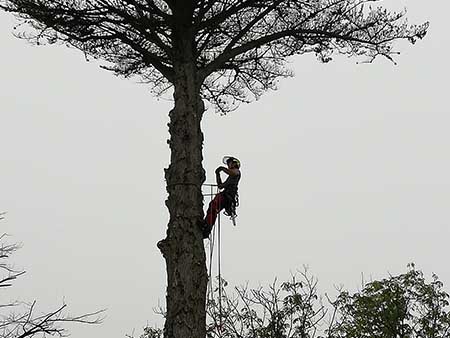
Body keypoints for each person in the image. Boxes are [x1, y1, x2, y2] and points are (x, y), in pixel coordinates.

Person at [202, 156, 241, 239]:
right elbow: (220, 186)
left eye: (229, 163)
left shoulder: (236, 172)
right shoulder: (230, 176)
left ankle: (207, 226)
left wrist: (222, 169)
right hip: (226, 197)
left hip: (227, 196)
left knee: (213, 206)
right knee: (213, 208)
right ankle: (206, 227)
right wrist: (217, 174)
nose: (228, 165)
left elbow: (232, 173)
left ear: (234, 164)